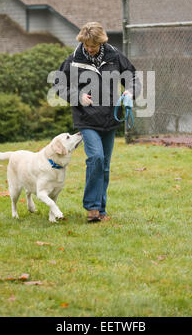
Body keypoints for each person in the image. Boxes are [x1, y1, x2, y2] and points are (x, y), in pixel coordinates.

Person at [54, 22, 141, 223]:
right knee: (96, 158)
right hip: (86, 119)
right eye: (86, 45)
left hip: (110, 118)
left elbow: (132, 77)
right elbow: (59, 83)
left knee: (105, 165)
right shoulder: (74, 60)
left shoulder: (114, 56)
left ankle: (101, 210)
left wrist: (130, 91)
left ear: (100, 42)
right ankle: (92, 208)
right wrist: (78, 96)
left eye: (93, 45)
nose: (89, 49)